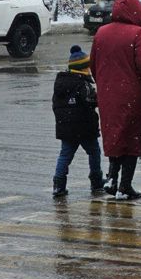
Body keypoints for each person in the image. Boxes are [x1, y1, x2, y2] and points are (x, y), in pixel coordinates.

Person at [90, 0, 141, 200]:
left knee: (114, 136)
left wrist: (103, 83)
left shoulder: (101, 32)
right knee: (131, 140)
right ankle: (125, 186)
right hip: (131, 94)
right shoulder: (136, 33)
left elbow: (93, 63)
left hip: (107, 94)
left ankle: (111, 178)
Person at [51, 45, 105, 197]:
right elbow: (91, 100)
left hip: (66, 128)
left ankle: (58, 184)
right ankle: (96, 182)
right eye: (88, 67)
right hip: (84, 128)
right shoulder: (83, 84)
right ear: (83, 69)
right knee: (94, 152)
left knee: (65, 155)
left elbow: (57, 105)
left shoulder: (60, 84)